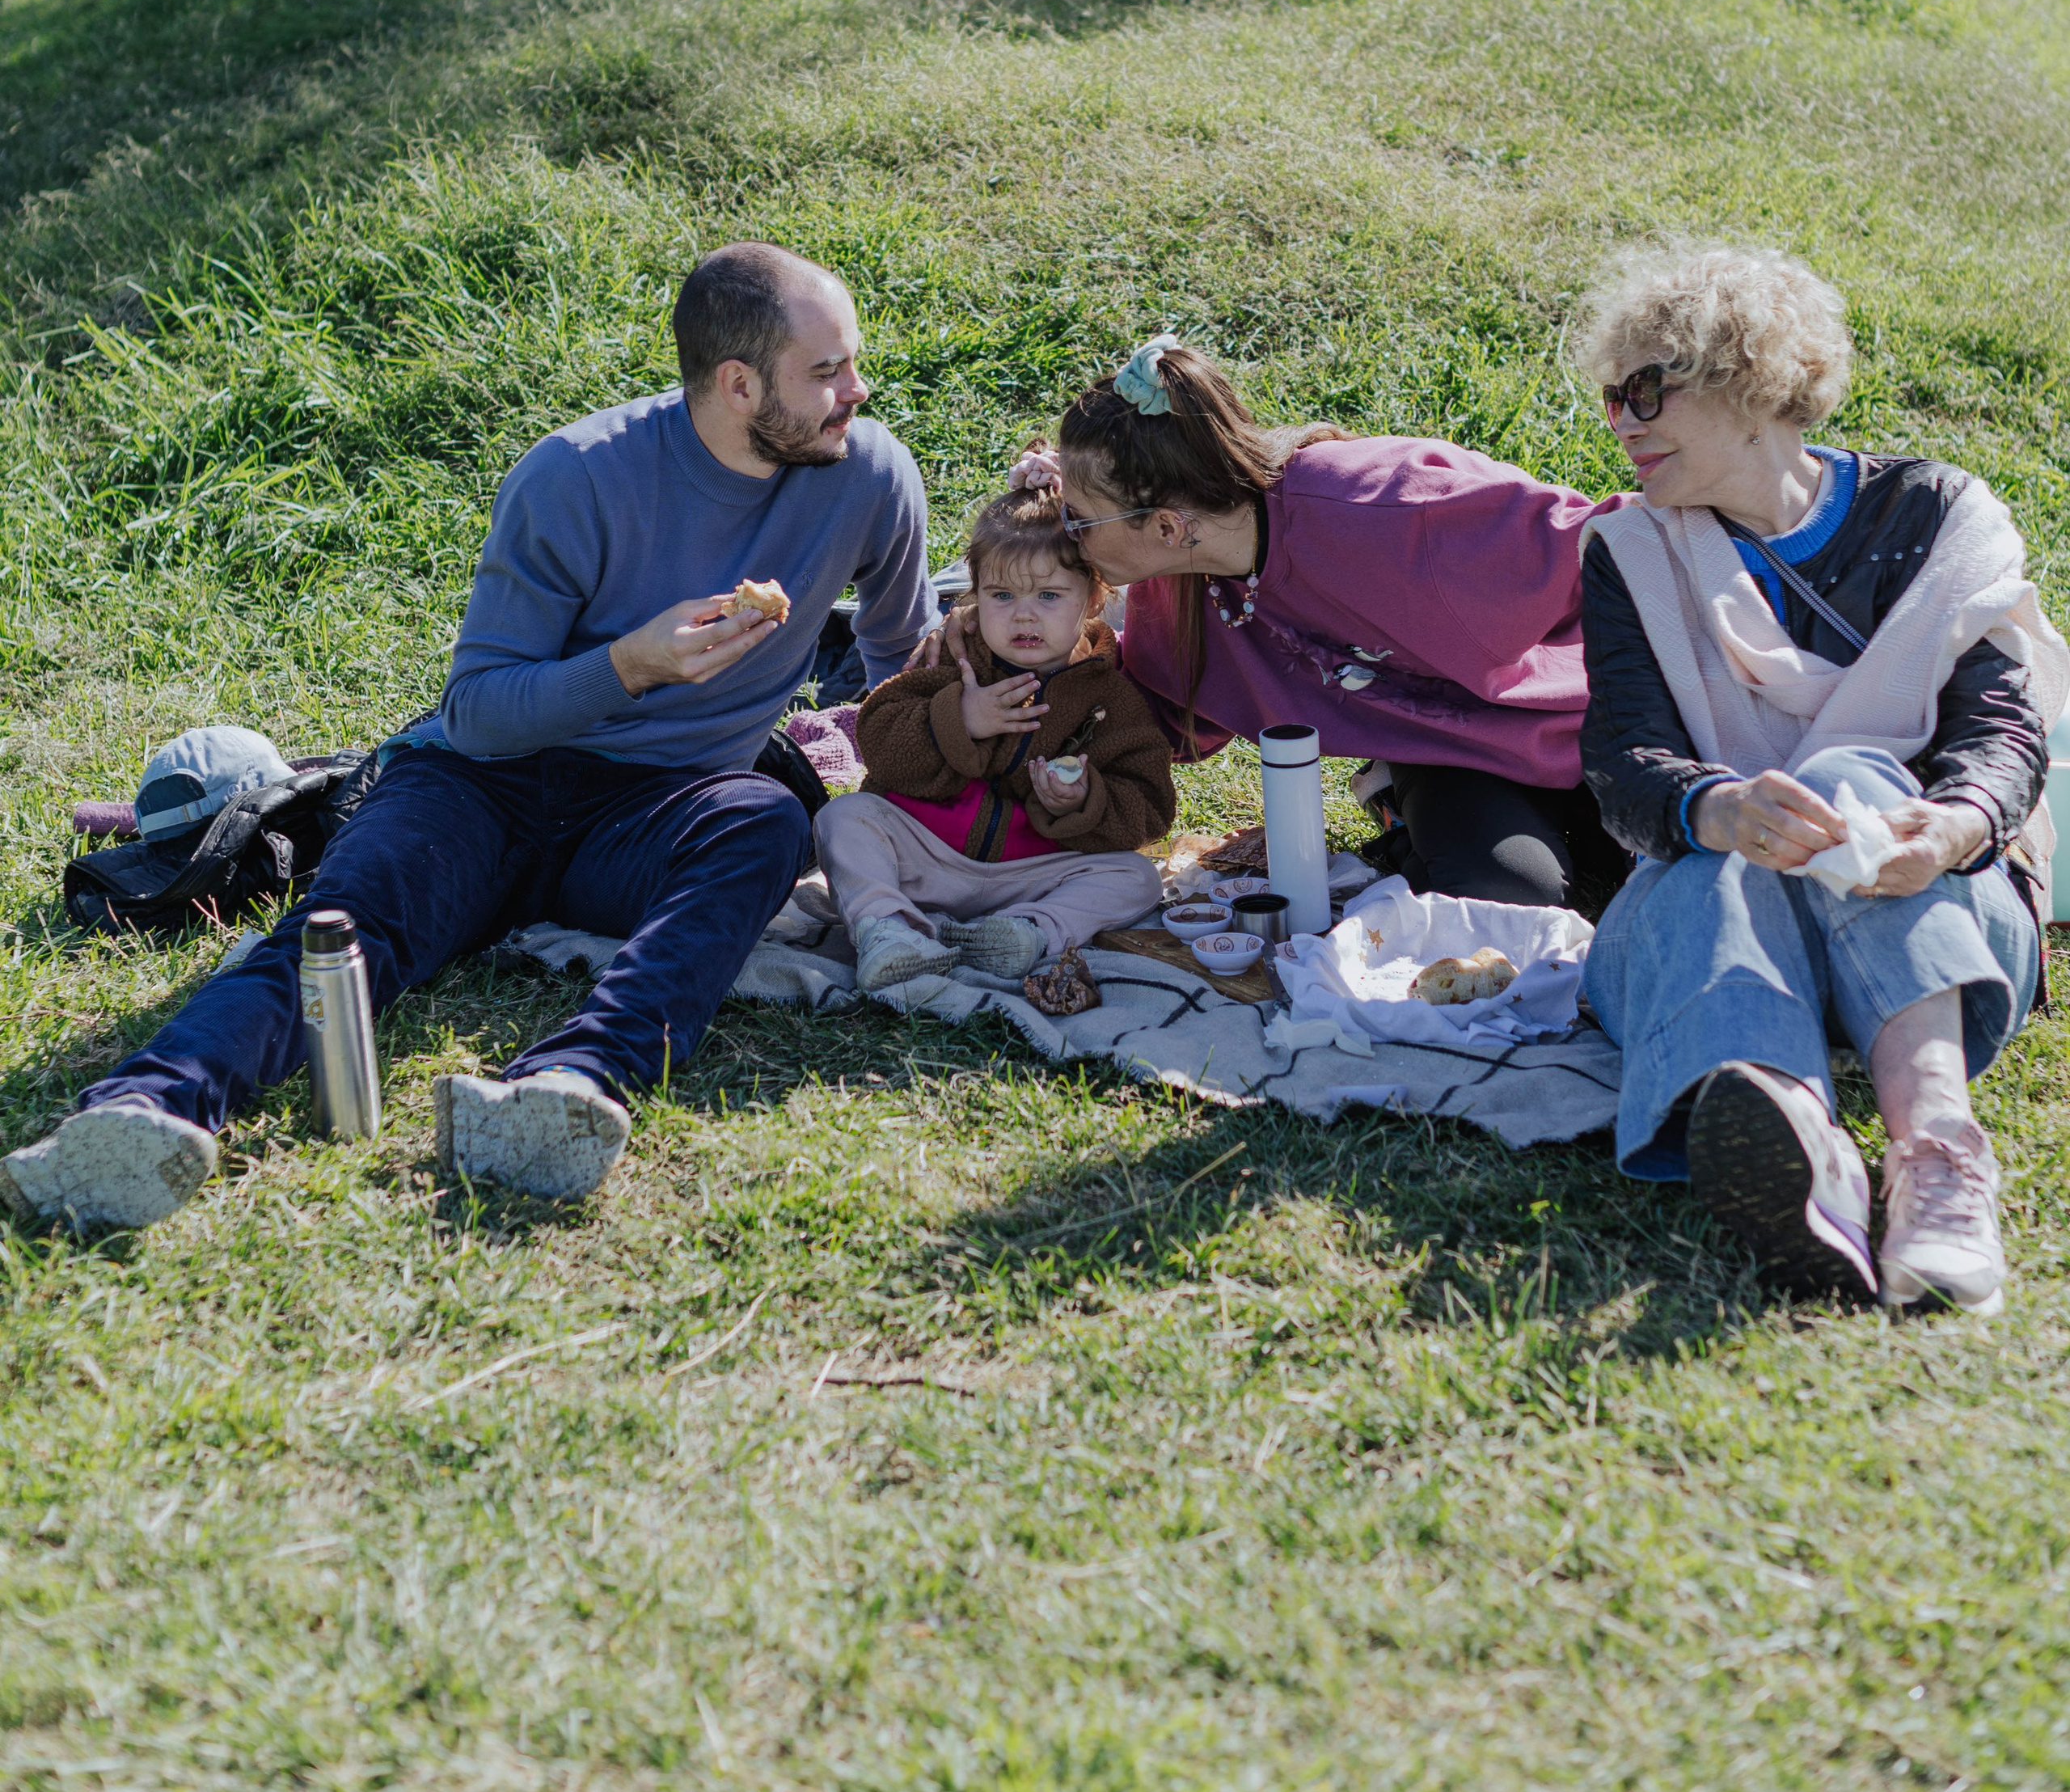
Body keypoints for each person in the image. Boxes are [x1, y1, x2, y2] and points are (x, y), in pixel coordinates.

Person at [2, 245, 935, 1235]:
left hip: (660, 810)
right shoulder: (576, 478)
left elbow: (902, 669)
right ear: (739, 384)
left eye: (851, 364)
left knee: (766, 818)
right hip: (481, 787)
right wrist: (633, 664)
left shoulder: (867, 477)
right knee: (341, 940)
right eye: (827, 371)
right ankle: (141, 1111)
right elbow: (481, 708)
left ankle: (574, 1080)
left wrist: (944, 829)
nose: (856, 391)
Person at [1576, 243, 2064, 1314]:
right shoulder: (1629, 551)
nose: (1621, 418)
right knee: (1709, 860)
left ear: (1747, 378)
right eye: (1612, 395)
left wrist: (1949, 828)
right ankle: (1799, 1142)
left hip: (1941, 908)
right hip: (1725, 926)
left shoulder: (1937, 517)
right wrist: (1721, 806)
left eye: (1647, 390)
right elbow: (1623, 764)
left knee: (1849, 773)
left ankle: (1936, 1157)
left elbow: (2002, 734)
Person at [1012, 334, 1626, 915]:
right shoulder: (1175, 588)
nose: (1070, 534)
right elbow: (1163, 723)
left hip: (1596, 723)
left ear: (1169, 526)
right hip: (1448, 755)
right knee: (1509, 893)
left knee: (1656, 855)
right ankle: (1398, 803)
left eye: (1078, 518)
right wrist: (1023, 640)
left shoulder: (1383, 505)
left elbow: (1615, 546)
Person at [819, 488, 1174, 993]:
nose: (1023, 616)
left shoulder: (1109, 696)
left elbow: (1149, 805)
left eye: (1049, 596)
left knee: (1137, 878)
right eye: (1002, 595)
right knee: (843, 818)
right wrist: (959, 719)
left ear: (1094, 599)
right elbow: (878, 737)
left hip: (1032, 871)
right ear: (974, 594)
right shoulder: (954, 657)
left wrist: (1084, 799)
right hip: (928, 857)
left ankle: (1025, 934)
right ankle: (889, 930)